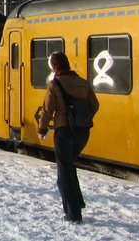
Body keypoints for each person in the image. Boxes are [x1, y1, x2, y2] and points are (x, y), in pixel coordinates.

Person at [37, 51, 100, 223]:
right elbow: (95, 105)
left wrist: (42, 129)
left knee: (63, 172)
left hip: (64, 131)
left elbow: (48, 111)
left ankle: (72, 214)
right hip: (82, 131)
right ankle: (78, 202)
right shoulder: (83, 83)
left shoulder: (54, 84)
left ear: (54, 67)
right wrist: (82, 117)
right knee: (69, 165)